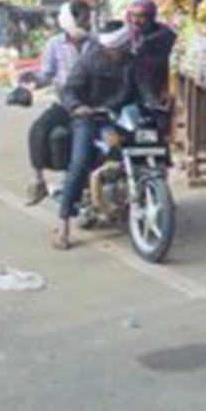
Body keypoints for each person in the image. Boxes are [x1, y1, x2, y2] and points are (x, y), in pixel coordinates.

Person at [54, 21, 148, 250]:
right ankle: (63, 222)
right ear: (111, 47)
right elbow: (69, 90)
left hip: (119, 115)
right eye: (122, 46)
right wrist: (77, 106)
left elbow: (143, 88)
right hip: (89, 117)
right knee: (80, 161)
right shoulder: (88, 62)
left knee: (146, 146)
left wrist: (155, 103)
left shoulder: (132, 62)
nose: (126, 48)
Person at [22, 0, 92, 206]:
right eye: (83, 18)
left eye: (88, 18)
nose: (87, 23)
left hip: (90, 103)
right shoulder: (55, 44)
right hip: (64, 104)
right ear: (70, 20)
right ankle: (38, 181)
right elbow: (46, 74)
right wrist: (31, 80)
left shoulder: (94, 42)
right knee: (38, 129)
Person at [125, 0, 177, 104]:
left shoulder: (165, 36)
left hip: (156, 89)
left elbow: (171, 65)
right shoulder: (128, 36)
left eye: (141, 16)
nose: (135, 21)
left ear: (150, 16)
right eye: (133, 15)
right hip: (132, 92)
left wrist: (166, 88)